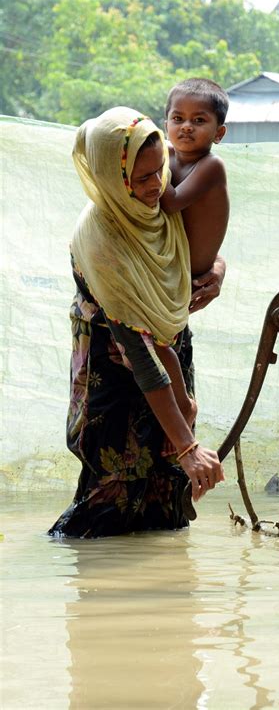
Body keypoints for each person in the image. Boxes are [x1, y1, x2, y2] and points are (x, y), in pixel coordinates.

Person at [48, 106, 224, 538]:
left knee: (167, 498)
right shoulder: (103, 240)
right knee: (108, 502)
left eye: (158, 172)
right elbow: (141, 356)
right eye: (140, 178)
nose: (154, 187)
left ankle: (167, 601)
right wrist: (187, 443)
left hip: (170, 362)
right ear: (111, 178)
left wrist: (217, 270)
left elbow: (188, 250)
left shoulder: (153, 206)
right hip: (116, 376)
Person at [160, 77, 229, 287]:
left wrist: (145, 172)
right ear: (166, 126)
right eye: (178, 118)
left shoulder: (211, 166)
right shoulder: (165, 154)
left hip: (192, 275)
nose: (187, 127)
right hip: (167, 265)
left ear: (219, 133)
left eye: (199, 121)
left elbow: (171, 203)